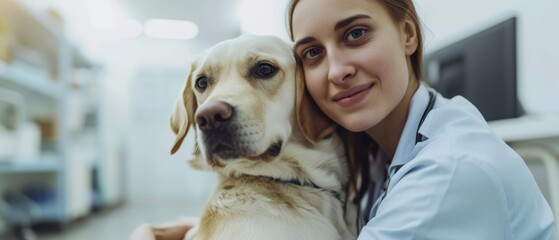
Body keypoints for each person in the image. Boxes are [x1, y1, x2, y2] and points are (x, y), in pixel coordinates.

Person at [130, 0, 558, 239]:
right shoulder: (376, 152)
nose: (335, 71)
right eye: (313, 52)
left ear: (408, 34)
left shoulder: (448, 174)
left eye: (355, 34)